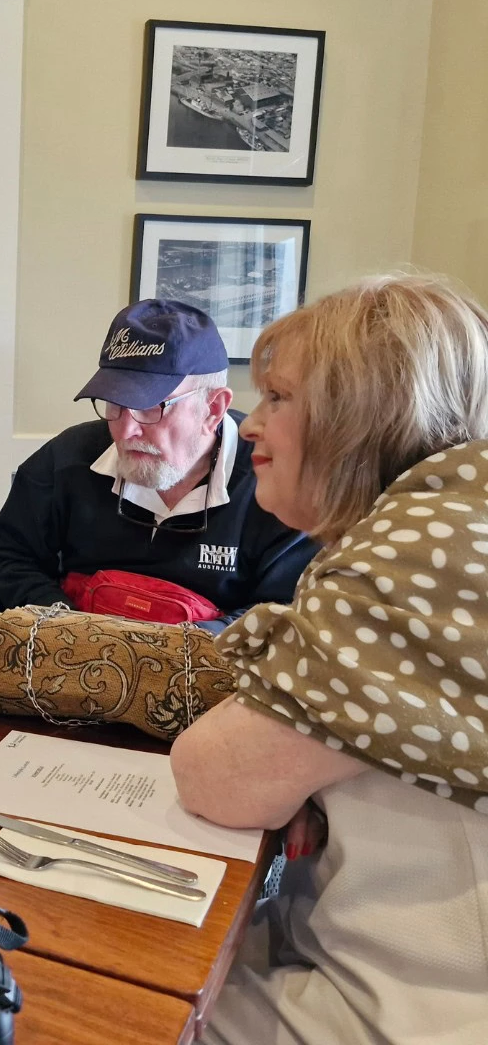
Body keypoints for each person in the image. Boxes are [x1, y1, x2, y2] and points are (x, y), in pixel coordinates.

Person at [170, 275, 488, 1045]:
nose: (253, 425)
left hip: (411, 1007)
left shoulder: (414, 561)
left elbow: (216, 776)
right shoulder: (448, 527)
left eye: (277, 396)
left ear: (362, 414)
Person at [0, 299, 317, 630]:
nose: (126, 430)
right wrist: (74, 631)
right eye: (114, 404)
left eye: (150, 407)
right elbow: (15, 558)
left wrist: (172, 651)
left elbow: (283, 606)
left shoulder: (277, 480)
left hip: (213, 669)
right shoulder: (64, 460)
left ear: (213, 408)